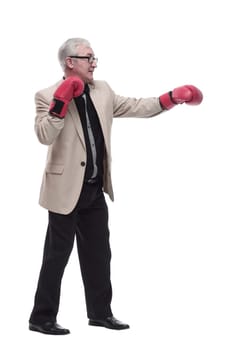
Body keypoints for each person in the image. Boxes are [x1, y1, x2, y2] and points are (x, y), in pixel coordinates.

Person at [29, 37, 203, 335]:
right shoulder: (45, 95)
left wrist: (171, 97)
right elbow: (44, 135)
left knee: (99, 254)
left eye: (94, 58)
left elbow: (136, 106)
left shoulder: (103, 91)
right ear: (70, 62)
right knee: (56, 256)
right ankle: (41, 318)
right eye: (88, 57)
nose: (94, 62)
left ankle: (100, 313)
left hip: (95, 188)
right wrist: (62, 99)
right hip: (64, 189)